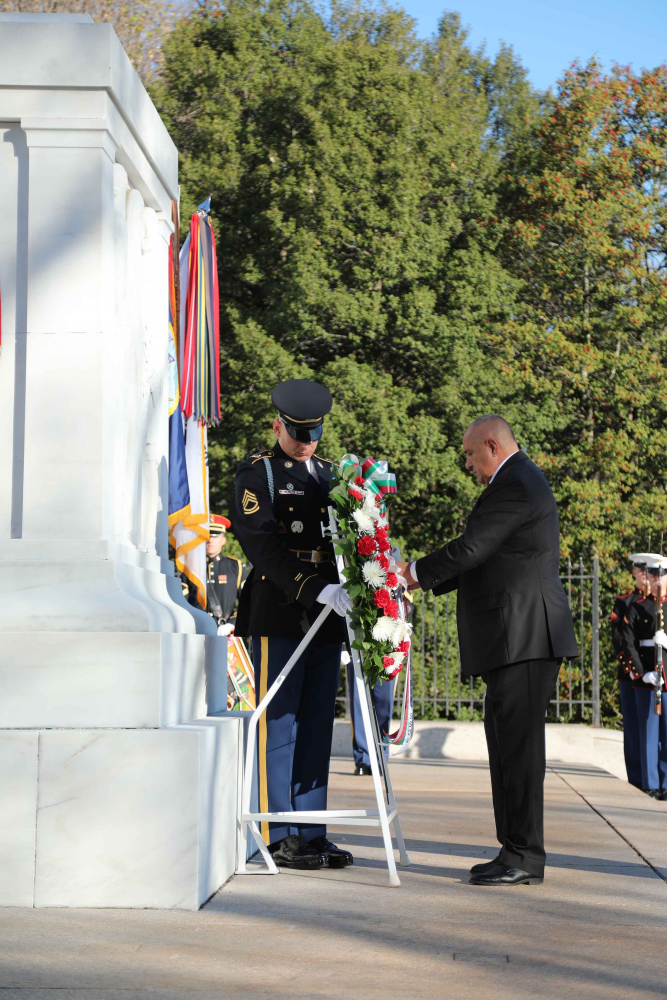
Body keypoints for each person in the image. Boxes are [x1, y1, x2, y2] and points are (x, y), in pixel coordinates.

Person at [398, 414, 578, 887]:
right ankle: (512, 849)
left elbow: (473, 547)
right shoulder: (517, 480)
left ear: (493, 445)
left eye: (471, 454)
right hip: (514, 636)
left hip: (525, 634)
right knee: (505, 745)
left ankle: (524, 855)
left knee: (518, 749)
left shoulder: (515, 483)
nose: (469, 464)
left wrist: (410, 572)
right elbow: (487, 553)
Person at [232, 379, 354, 871]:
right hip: (280, 610)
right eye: (297, 433)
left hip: (327, 615)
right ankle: (276, 832)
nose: (305, 442)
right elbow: (261, 546)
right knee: (278, 723)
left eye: (314, 434)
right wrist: (313, 587)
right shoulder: (258, 474)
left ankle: (311, 831)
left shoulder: (331, 475)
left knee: (317, 725)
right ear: (278, 426)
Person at [622, 556, 667, 800]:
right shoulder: (637, 606)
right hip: (648, 680)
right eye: (651, 576)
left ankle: (666, 782)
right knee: (648, 735)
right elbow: (628, 644)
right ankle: (650, 784)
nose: (654, 581)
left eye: (659, 576)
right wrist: (641, 673)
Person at [610, 555, 647, 789]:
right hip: (632, 677)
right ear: (634, 573)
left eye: (651, 572)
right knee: (634, 731)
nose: (646, 576)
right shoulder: (625, 602)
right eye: (641, 571)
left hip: (660, 678)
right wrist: (636, 672)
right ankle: (637, 780)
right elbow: (620, 642)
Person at [182, 514, 247, 634]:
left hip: (225, 635)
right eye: (207, 535)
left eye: (215, 535)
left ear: (223, 540)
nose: (210, 539)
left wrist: (232, 624)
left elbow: (247, 601)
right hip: (195, 632)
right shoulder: (190, 567)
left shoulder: (235, 567)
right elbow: (181, 602)